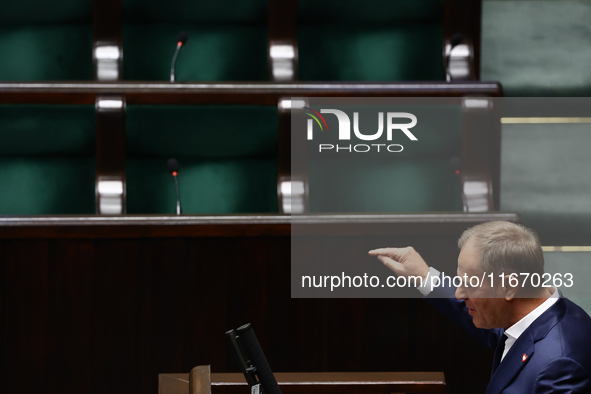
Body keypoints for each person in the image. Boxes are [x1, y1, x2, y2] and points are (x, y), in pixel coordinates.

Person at [369, 221, 591, 394]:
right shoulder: (540, 313)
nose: (459, 293)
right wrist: (426, 277)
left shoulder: (559, 367)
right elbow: (500, 330)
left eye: (470, 284)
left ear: (509, 287)